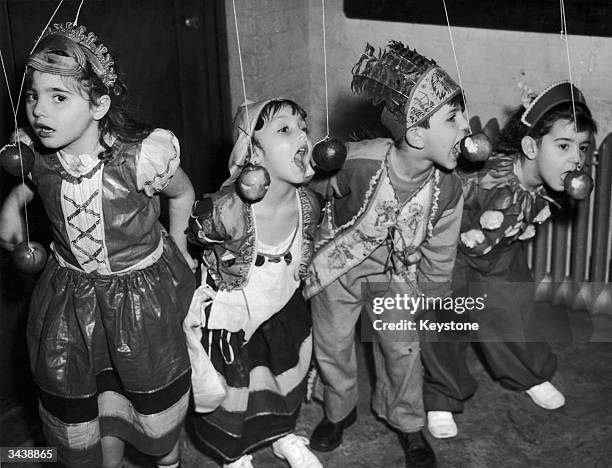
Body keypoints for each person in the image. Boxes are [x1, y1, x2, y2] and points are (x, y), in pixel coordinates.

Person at [0, 23, 196, 468]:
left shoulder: (141, 157)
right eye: (33, 95)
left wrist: (181, 246)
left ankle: (167, 459)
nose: (38, 110)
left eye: (59, 96)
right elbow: (33, 186)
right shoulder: (39, 154)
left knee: (151, 405)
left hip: (139, 299)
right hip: (71, 299)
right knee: (87, 395)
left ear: (99, 104)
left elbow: (182, 193)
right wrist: (13, 205)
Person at [304, 41, 468, 468]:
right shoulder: (356, 163)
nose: (467, 127)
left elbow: (442, 247)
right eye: (453, 118)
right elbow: (314, 194)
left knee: (402, 349)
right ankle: (338, 412)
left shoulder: (449, 188)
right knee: (333, 344)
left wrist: (431, 292)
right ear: (415, 134)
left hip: (399, 275)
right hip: (338, 268)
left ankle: (408, 423)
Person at [420, 81, 597, 439]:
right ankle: (442, 394)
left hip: (500, 253)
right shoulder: (487, 176)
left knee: (516, 311)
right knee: (443, 321)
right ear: (531, 146)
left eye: (582, 147)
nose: (576, 159)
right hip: (453, 253)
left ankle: (528, 374)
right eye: (563, 146)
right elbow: (439, 203)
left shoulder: (549, 187)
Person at [186, 98, 323, 468]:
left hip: (281, 303)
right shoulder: (226, 210)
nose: (302, 138)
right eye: (284, 129)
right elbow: (197, 238)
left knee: (283, 371)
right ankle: (235, 453)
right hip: (234, 313)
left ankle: (282, 434)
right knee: (235, 387)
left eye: (302, 128)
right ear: (253, 153)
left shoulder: (308, 202)